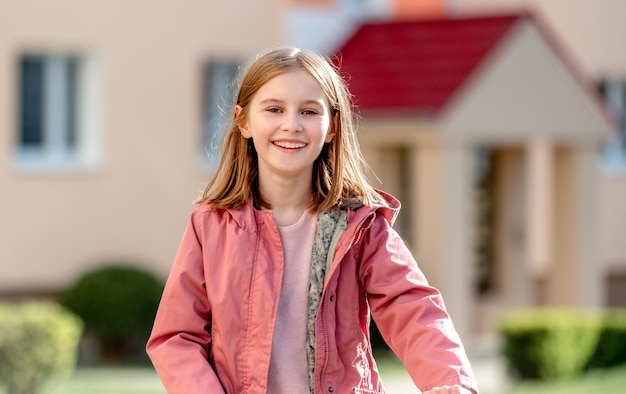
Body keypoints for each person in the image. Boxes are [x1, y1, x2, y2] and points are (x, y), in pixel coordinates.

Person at [146, 47, 479, 394]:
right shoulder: (210, 226)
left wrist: (449, 381)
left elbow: (412, 307)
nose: (292, 125)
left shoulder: (362, 225)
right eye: (274, 109)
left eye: (308, 111)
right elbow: (176, 337)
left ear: (332, 126)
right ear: (243, 121)